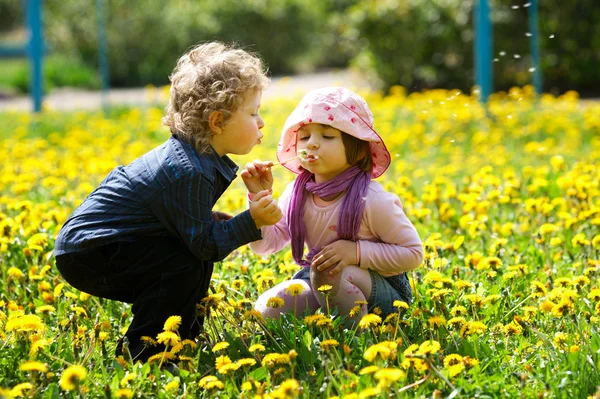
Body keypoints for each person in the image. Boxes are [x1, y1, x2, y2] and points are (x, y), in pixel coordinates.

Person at [53, 42, 282, 362]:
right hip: (91, 250)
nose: (260, 123)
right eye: (253, 112)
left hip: (103, 242)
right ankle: (148, 351)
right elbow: (206, 245)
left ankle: (181, 340)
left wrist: (227, 218)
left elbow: (190, 227)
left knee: (186, 258)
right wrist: (249, 220)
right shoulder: (187, 170)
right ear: (217, 122)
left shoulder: (196, 157)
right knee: (181, 264)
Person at [243, 87, 423, 324]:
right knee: (266, 309)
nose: (313, 144)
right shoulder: (296, 195)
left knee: (329, 272)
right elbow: (266, 246)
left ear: (358, 149)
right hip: (319, 279)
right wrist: (260, 198)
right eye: (305, 137)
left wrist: (355, 252)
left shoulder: (372, 200)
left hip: (384, 294)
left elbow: (413, 254)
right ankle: (331, 319)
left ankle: (356, 342)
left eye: (327, 136)